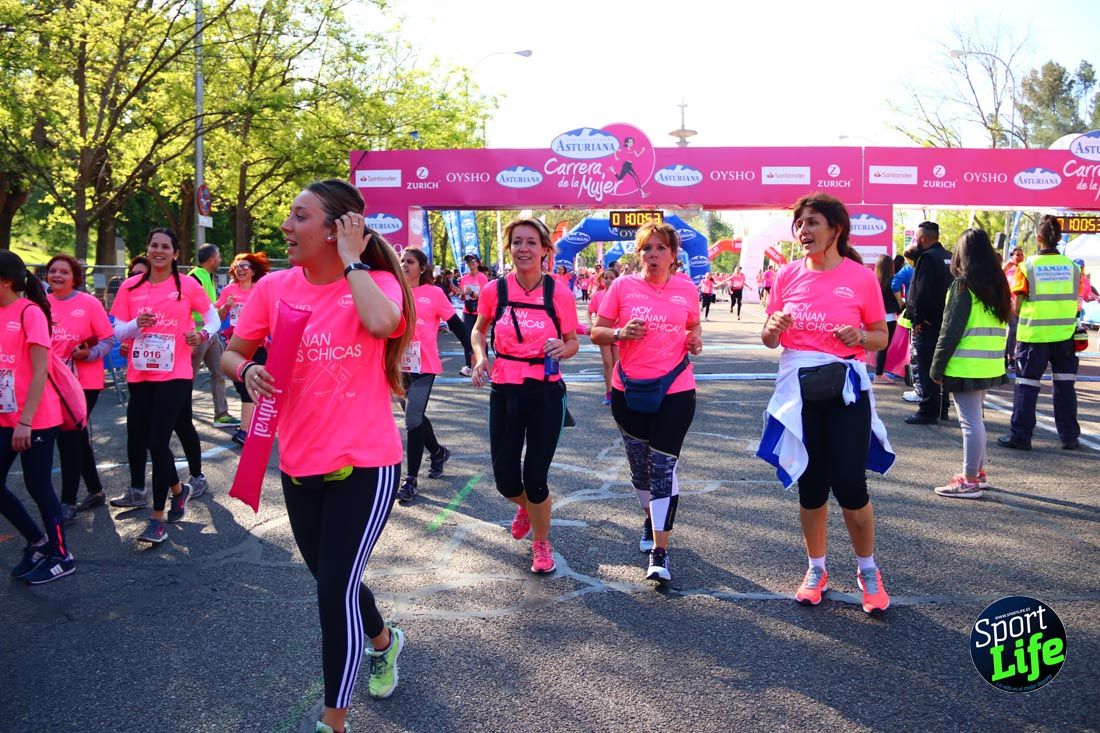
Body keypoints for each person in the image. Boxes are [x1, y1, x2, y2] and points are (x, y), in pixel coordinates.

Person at [222, 179, 415, 733]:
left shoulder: (376, 282)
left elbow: (382, 325)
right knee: (334, 580)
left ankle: (334, 721)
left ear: (337, 228)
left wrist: (353, 261)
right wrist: (247, 370)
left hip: (367, 464)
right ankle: (385, 640)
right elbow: (232, 352)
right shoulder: (273, 288)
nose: (286, 226)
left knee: (334, 594)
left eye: (300, 216)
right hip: (299, 464)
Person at [757, 193, 893, 614]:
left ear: (836, 230)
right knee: (811, 486)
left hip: (846, 390)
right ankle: (816, 569)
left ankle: (868, 571)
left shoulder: (861, 278)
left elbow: (881, 336)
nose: (804, 230)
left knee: (850, 485)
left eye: (813, 222)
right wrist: (773, 327)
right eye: (800, 223)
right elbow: (769, 338)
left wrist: (861, 337)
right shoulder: (786, 276)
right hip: (799, 391)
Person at [591, 221, 702, 582]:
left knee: (663, 467)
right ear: (639, 255)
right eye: (646, 249)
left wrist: (695, 340)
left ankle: (660, 551)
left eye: (660, 248)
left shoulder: (686, 288)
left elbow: (693, 326)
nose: (653, 255)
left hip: (676, 388)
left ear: (673, 255)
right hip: (629, 390)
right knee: (640, 470)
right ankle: (650, 519)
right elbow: (597, 332)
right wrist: (620, 332)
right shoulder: (622, 286)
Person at [470, 217, 580, 576]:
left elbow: (573, 342)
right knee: (505, 479)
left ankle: (542, 543)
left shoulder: (558, 293)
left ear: (545, 249)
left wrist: (563, 348)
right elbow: (478, 330)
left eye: (531, 242)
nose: (524, 249)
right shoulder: (495, 290)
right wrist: (481, 357)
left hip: (545, 392)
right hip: (504, 389)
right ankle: (529, 508)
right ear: (510, 248)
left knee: (535, 478)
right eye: (517, 242)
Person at [110, 228, 218, 544]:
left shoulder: (187, 285)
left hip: (175, 373)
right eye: (154, 245)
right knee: (147, 440)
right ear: (148, 249)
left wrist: (202, 335)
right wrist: (136, 325)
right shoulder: (130, 286)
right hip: (140, 374)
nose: (159, 251)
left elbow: (212, 318)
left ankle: (157, 519)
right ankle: (179, 490)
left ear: (176, 253)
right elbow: (118, 332)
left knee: (158, 442)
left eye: (165, 246)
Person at [0, 251, 72, 584]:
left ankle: (62, 555)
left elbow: (40, 371)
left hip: (35, 418)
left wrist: (25, 421)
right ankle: (38, 541)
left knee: (38, 485)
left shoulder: (30, 313)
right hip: (5, 416)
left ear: (5, 281)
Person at [929, 229, 1010, 498]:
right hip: (989, 363)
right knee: (976, 420)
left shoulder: (963, 286)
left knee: (971, 423)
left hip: (965, 365)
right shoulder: (997, 286)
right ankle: (978, 473)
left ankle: (970, 480)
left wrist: (937, 366)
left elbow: (950, 331)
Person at [998, 216, 1082, 451]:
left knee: (1027, 386)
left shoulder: (1027, 267)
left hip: (1034, 336)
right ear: (1058, 238)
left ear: (1039, 238)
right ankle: (1069, 437)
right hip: (1065, 336)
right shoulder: (1074, 267)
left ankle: (1021, 437)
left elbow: (1016, 307)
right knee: (1065, 387)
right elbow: (1076, 301)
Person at [396, 247, 470, 502]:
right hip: (397, 367)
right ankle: (438, 453)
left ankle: (410, 480)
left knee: (412, 419)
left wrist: (471, 350)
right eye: (402, 260)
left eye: (410, 261)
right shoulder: (393, 291)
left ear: (422, 267)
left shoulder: (434, 293)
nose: (404, 264)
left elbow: (456, 324)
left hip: (424, 366)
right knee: (415, 417)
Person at [45, 255, 114, 520]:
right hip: (52, 381)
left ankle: (68, 501)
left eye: (64, 272)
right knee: (77, 436)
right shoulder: (40, 304)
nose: (57, 275)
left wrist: (89, 353)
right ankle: (95, 491)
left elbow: (108, 340)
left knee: (68, 436)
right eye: (53, 271)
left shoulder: (89, 303)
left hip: (84, 382)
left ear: (75, 277)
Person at [216, 252, 270, 446]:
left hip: (257, 345)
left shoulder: (260, 289)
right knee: (242, 387)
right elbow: (218, 317)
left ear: (253, 270)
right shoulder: (229, 290)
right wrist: (226, 306)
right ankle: (254, 425)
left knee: (251, 387)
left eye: (245, 266)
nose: (240, 269)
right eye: (237, 266)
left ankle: (245, 430)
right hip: (235, 346)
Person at [902, 222, 953, 424]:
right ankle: (942, 407)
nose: (915, 241)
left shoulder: (926, 257)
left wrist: (917, 318)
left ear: (923, 238)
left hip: (929, 323)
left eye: (916, 238)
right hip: (946, 320)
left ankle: (928, 410)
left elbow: (921, 290)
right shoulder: (948, 256)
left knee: (926, 366)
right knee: (941, 366)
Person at [188, 243, 237, 428]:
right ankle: (180, 414)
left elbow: (209, 308)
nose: (220, 259)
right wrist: (193, 336)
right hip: (198, 334)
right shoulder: (194, 277)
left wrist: (223, 308)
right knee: (188, 377)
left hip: (210, 333)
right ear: (211, 260)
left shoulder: (208, 276)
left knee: (219, 372)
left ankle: (221, 415)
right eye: (218, 256)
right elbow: (185, 308)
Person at [588, 268, 619, 405]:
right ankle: (609, 392)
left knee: (617, 364)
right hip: (603, 332)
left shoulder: (621, 294)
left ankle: (618, 391)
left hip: (618, 333)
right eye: (606, 278)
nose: (608, 281)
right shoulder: (598, 296)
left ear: (617, 279)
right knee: (607, 362)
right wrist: (591, 325)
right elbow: (589, 312)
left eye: (612, 278)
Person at [458, 254, 488, 377]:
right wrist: (462, 295)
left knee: (480, 337)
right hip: (467, 311)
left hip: (480, 311)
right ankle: (469, 366)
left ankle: (484, 367)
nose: (471, 263)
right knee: (467, 338)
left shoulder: (483, 278)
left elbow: (485, 296)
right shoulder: (464, 278)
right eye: (468, 261)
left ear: (478, 263)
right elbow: (462, 295)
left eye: (473, 260)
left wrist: (473, 294)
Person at [873, 255, 900, 385]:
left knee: (880, 347)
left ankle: (878, 373)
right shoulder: (893, 281)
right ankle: (879, 375)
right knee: (884, 347)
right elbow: (898, 301)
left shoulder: (874, 281)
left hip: (877, 317)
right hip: (889, 317)